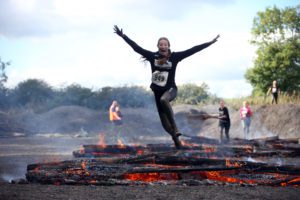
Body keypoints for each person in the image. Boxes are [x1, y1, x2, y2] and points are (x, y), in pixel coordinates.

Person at [113, 25, 220, 149]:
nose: (163, 46)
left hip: (171, 90)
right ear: (158, 46)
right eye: (161, 44)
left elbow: (193, 49)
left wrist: (210, 43)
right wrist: (123, 36)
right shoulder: (152, 56)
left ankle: (175, 127)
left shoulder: (175, 57)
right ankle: (177, 143)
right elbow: (136, 47)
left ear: (168, 46)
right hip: (157, 92)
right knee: (165, 125)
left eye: (165, 44)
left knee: (164, 100)